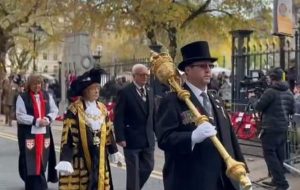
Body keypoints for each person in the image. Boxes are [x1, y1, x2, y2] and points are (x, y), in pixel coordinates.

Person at [155, 41, 247, 190]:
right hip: (192, 180)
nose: (208, 70)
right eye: (202, 66)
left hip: (224, 179)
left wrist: (242, 170)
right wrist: (191, 137)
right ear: (188, 70)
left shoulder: (215, 99)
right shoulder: (172, 101)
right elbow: (164, 139)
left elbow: (230, 137)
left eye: (210, 66)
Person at [55, 68, 123, 190]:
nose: (97, 91)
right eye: (93, 89)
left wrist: (113, 150)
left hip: (100, 157)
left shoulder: (102, 108)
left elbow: (108, 132)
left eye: (98, 88)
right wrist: (66, 159)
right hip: (81, 158)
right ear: (85, 91)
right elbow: (68, 136)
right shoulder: (74, 110)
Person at [114, 64, 155, 190]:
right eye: (142, 75)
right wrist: (120, 137)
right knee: (133, 173)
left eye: (147, 75)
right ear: (134, 76)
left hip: (148, 139)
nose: (145, 77)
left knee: (148, 167)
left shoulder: (150, 91)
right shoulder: (125, 92)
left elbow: (153, 115)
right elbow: (118, 116)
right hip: (131, 139)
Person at [253, 67, 294, 190]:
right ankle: (276, 180)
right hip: (282, 127)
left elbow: (258, 106)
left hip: (270, 128)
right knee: (279, 155)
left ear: (272, 78)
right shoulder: (289, 92)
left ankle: (281, 183)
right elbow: (292, 110)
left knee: (270, 155)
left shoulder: (270, 91)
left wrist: (253, 99)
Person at [16, 74, 58, 190]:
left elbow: (54, 110)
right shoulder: (23, 97)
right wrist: (35, 121)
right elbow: (20, 116)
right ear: (29, 85)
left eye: (39, 83)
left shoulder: (47, 96)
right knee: (30, 159)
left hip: (44, 133)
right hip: (29, 133)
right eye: (34, 84)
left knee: (42, 157)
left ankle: (40, 181)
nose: (37, 86)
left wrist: (48, 118)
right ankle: (32, 184)